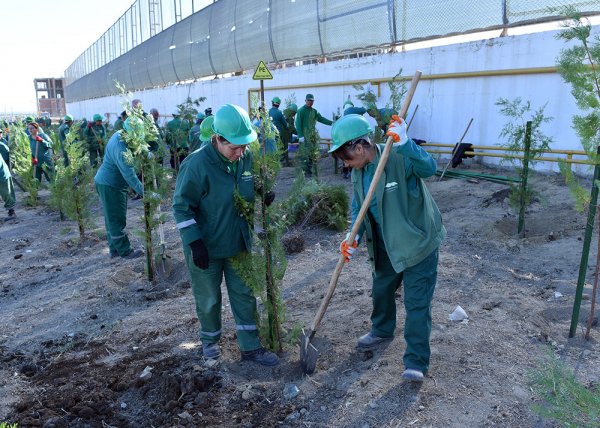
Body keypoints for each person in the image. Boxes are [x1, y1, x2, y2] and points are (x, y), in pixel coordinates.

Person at [330, 114, 446, 382]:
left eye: (345, 157)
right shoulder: (358, 172)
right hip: (384, 244)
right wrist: (353, 235)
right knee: (381, 289)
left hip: (418, 243)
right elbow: (358, 206)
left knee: (417, 303)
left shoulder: (398, 156)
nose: (345, 164)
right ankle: (382, 329)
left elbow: (430, 168)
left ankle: (416, 361)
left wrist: (407, 144)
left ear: (359, 147)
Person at [172, 103, 279, 366]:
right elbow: (181, 207)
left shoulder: (245, 158)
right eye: (234, 147)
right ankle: (209, 342)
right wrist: (194, 242)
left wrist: (261, 193)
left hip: (238, 241)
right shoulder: (196, 165)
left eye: (244, 146)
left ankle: (251, 347)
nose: (240, 152)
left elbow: (250, 185)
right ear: (217, 139)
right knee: (209, 298)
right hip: (206, 247)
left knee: (244, 294)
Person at [94, 117, 145, 259]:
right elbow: (129, 175)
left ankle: (114, 250)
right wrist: (144, 193)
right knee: (116, 219)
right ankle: (125, 251)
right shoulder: (121, 147)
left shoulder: (120, 134)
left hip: (109, 182)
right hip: (111, 185)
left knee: (111, 218)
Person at [295, 93, 333, 176]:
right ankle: (305, 171)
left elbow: (321, 119)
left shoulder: (314, 111)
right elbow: (298, 124)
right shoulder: (301, 111)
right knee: (305, 154)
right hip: (304, 137)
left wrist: (332, 123)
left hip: (312, 136)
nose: (310, 102)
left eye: (311, 101)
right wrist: (300, 136)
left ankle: (310, 170)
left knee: (312, 153)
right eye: (308, 100)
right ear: (305, 100)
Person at [340, 100, 367, 179]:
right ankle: (353, 172)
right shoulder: (351, 110)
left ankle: (345, 172)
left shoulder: (343, 114)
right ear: (352, 105)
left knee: (346, 155)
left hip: (345, 138)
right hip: (353, 136)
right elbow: (363, 110)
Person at [268, 97, 289, 163]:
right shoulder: (280, 113)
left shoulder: (268, 111)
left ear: (272, 103)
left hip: (269, 132)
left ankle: (272, 159)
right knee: (279, 146)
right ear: (279, 104)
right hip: (278, 133)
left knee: (271, 146)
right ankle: (280, 160)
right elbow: (285, 124)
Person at [0, 135, 16, 220]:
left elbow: (8, 151)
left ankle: (11, 212)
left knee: (6, 193)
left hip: (2, 174)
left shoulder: (1, 145)